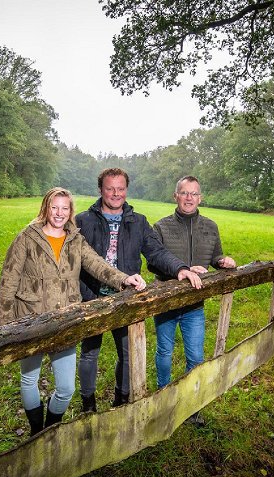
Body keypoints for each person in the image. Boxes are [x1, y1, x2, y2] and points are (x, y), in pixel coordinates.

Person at [0, 187, 146, 435]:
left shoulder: (75, 239)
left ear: (70, 212)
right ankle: (36, 432)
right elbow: (8, 280)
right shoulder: (27, 237)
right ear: (45, 208)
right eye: (54, 207)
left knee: (66, 388)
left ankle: (50, 430)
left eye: (64, 208)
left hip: (66, 320)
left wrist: (124, 280)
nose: (58, 213)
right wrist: (5, 325)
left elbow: (98, 265)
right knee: (29, 379)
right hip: (30, 319)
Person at [76, 168, 203, 412]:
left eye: (120, 188)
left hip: (127, 298)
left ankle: (121, 400)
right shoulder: (83, 220)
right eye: (110, 188)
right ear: (101, 189)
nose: (116, 194)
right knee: (90, 352)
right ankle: (88, 404)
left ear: (126, 190)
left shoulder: (138, 222)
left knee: (127, 351)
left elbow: (156, 251)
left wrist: (180, 269)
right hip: (91, 296)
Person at [151, 175, 236, 424]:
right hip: (166, 302)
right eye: (184, 193)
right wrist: (183, 270)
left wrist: (222, 261)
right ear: (175, 196)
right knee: (165, 352)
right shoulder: (161, 227)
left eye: (194, 194)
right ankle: (163, 399)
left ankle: (191, 405)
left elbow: (215, 256)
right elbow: (154, 260)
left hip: (194, 306)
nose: (189, 198)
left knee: (196, 357)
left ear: (201, 197)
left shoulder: (210, 226)